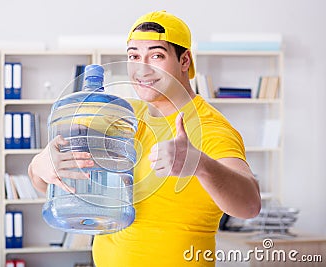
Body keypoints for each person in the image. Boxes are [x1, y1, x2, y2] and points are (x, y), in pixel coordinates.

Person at [28, 10, 261, 267]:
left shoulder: (211, 128)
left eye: (157, 55)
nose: (142, 68)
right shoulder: (121, 117)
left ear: (184, 60)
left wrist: (199, 164)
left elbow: (249, 205)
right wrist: (39, 167)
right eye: (134, 56)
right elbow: (68, 188)